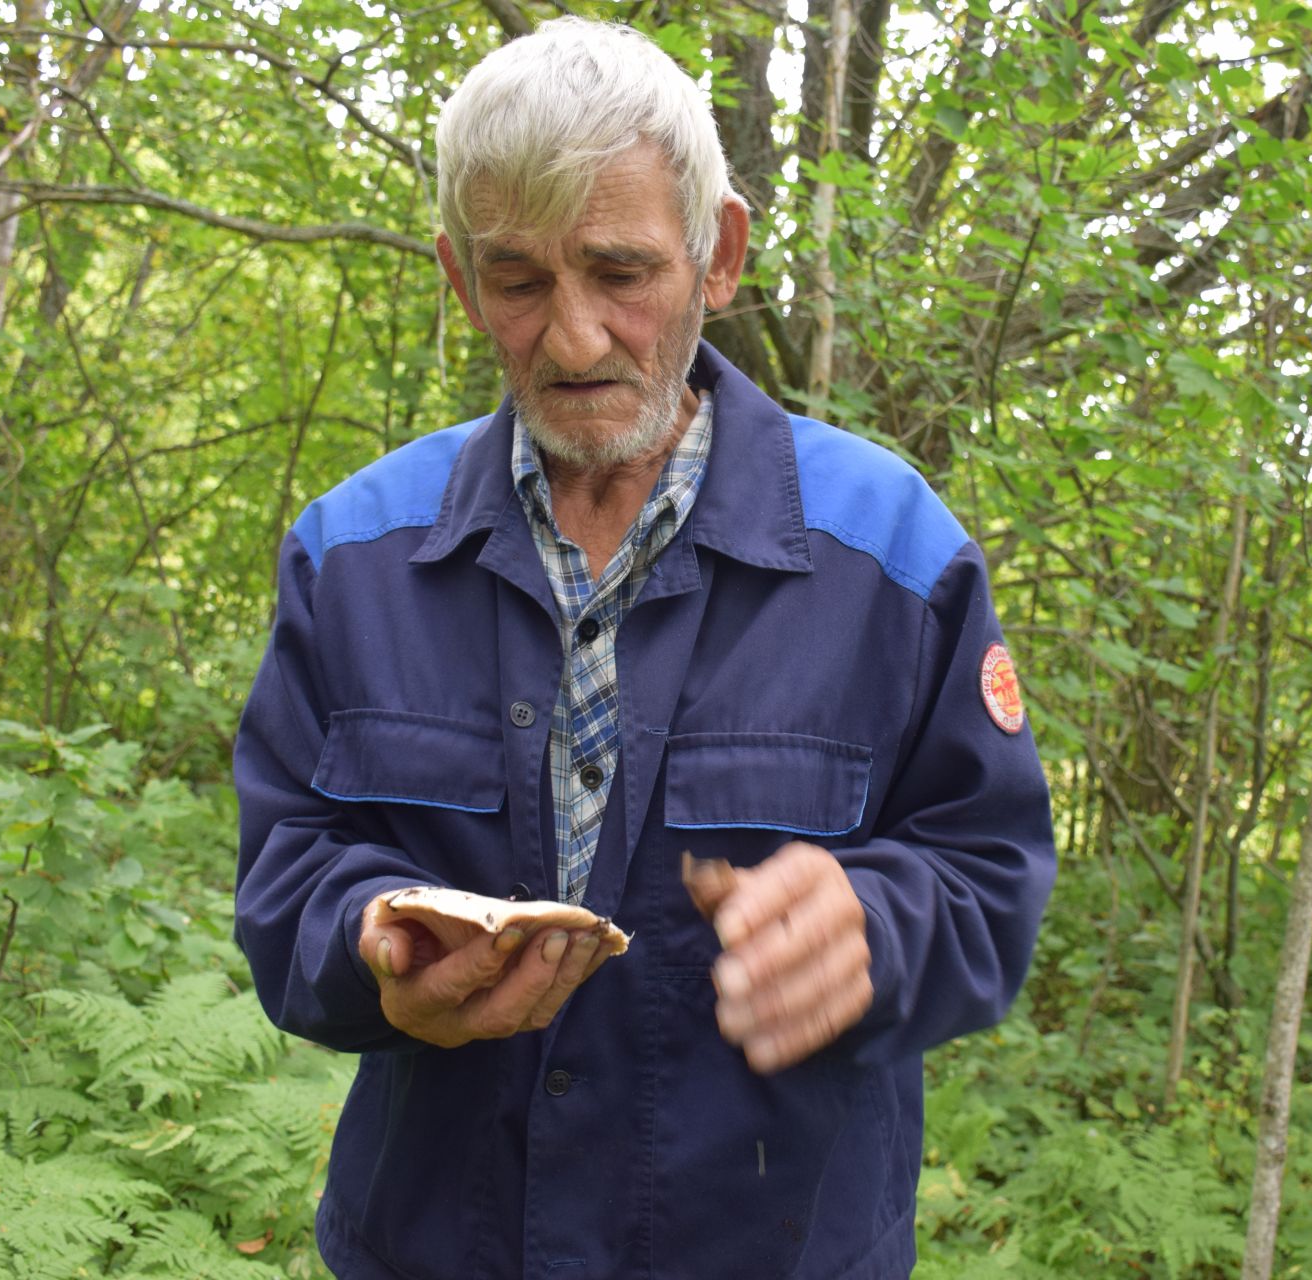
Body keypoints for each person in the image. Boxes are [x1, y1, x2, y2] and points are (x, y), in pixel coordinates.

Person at [233, 17, 1055, 1279]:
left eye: (622, 270)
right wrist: (369, 939)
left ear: (717, 254)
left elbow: (989, 880)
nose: (573, 338)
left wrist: (872, 923)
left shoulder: (891, 554)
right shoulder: (353, 557)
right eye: (518, 282)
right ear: (460, 280)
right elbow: (290, 865)